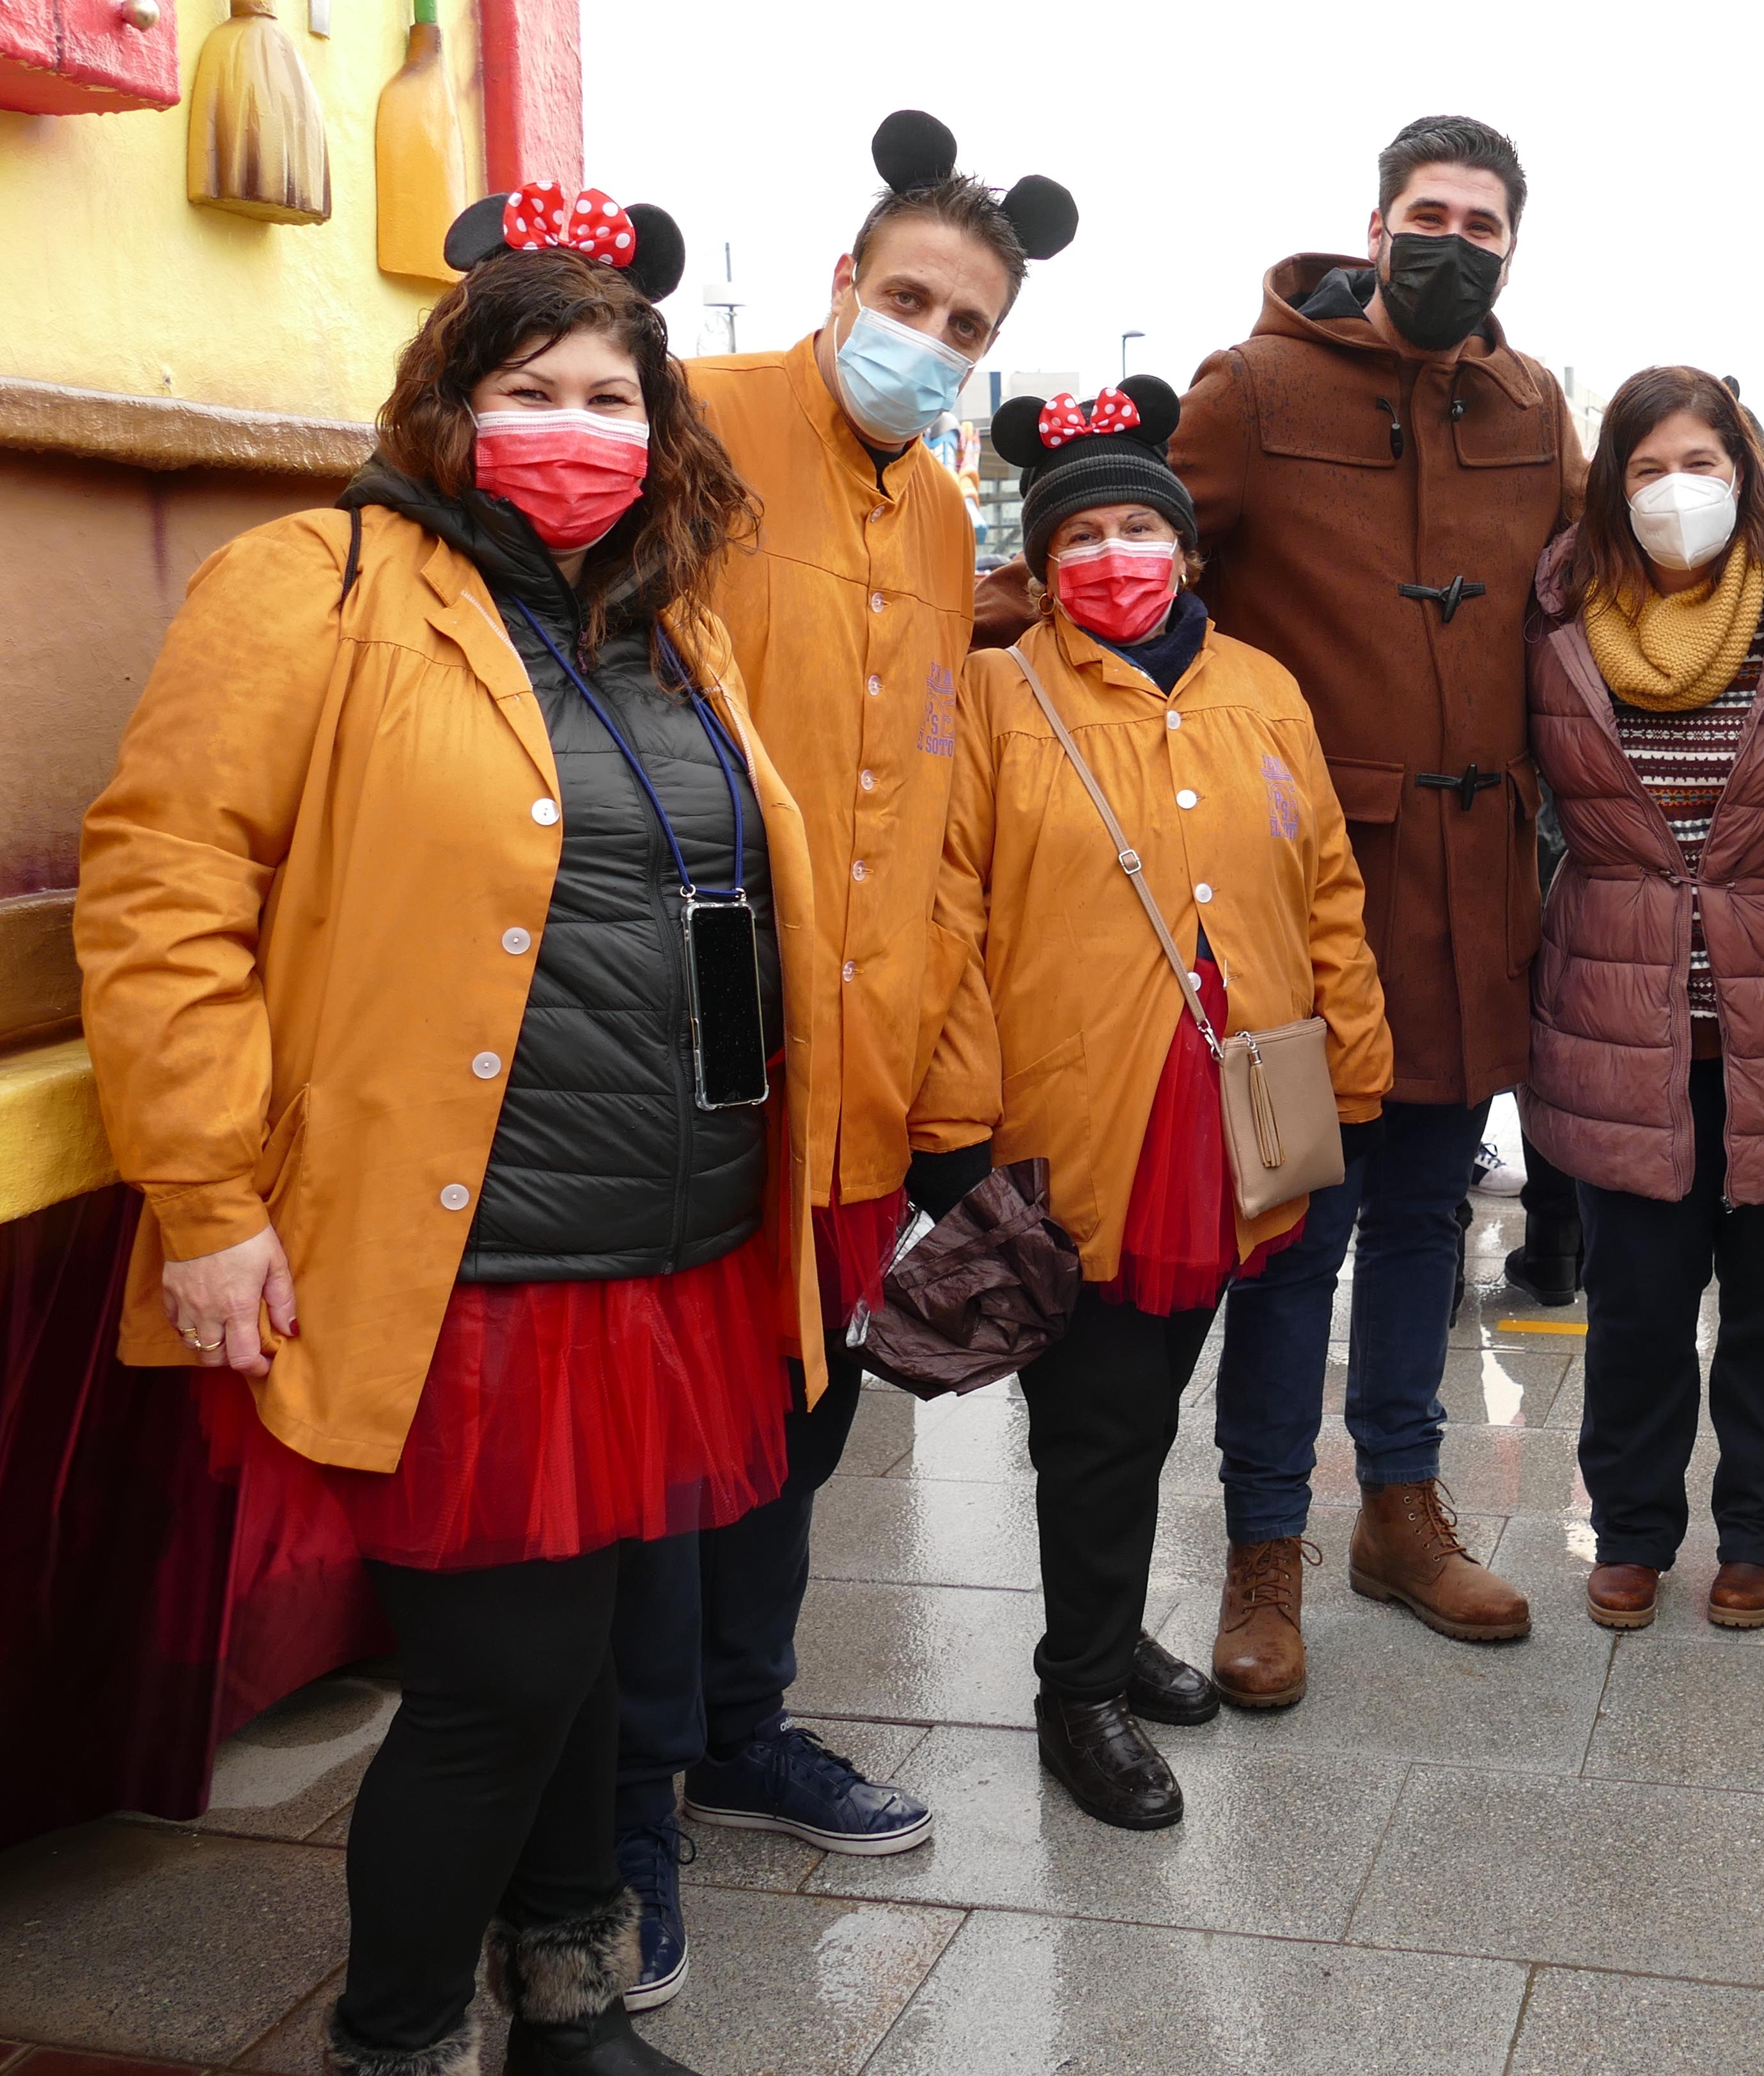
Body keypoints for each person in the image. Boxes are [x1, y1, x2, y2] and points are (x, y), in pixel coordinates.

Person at [77, 185, 815, 2076]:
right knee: (502, 1689)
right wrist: (210, 1200)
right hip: (460, 1253)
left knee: (580, 1681)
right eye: (539, 385)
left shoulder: (670, 632)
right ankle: (393, 2040)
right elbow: (166, 892)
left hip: (665, 1237)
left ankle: (564, 2009)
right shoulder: (311, 587)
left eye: (619, 396)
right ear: (448, 400)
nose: (585, 431)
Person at [973, 113, 1568, 1705]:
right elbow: (1134, 549)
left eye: (1486, 222)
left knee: (1431, 1221)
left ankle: (1398, 1509)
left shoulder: (1530, 402)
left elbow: (1588, 585)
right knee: (1292, 1241)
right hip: (1288, 906)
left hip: (1470, 900)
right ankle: (1261, 1556)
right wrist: (925, 645)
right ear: (1374, 226)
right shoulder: (1256, 387)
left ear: (1516, 241)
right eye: (1429, 212)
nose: (1456, 240)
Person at [601, 112, 1075, 2010]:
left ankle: (741, 1724)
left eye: (966, 324)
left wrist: (948, 1067)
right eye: (907, 302)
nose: (930, 342)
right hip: (687, 1041)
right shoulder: (693, 417)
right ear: (838, 287)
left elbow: (938, 799)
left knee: (806, 1417)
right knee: (665, 1440)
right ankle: (626, 1806)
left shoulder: (955, 507)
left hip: (866, 1063)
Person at [939, 375, 1393, 1825]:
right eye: (1084, 536)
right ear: (1042, 560)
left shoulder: (1261, 683)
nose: (1114, 556)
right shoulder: (998, 691)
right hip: (1078, 1116)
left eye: (1142, 528)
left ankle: (1105, 1622)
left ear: (1188, 551)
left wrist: (1359, 1059)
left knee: (1147, 1396)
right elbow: (948, 912)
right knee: (1099, 1411)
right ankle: (1077, 1684)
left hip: (1242, 1104)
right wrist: (954, 1122)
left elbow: (1324, 877)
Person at [1521, 366, 1764, 1632]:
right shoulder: (1557, 608)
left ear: (1743, 469)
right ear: (1608, 483)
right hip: (1622, 1015)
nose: (1675, 490)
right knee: (1632, 1308)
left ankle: (1761, 1529)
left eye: (1701, 462)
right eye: (1645, 468)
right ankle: (1630, 1529)